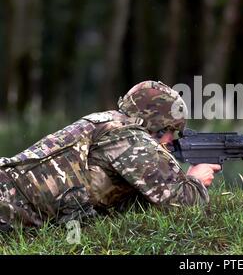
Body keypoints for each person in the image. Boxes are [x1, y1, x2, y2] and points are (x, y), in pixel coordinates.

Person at [0, 80, 221, 232]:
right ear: (156, 124)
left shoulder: (110, 124)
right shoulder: (129, 138)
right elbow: (183, 205)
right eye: (170, 131)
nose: (171, 140)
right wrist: (196, 180)